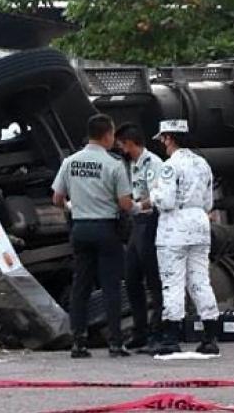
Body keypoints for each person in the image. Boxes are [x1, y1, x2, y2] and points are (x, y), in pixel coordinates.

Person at [52, 113, 141, 359]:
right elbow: (125, 203)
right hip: (106, 230)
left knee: (80, 285)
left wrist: (73, 208)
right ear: (107, 135)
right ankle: (115, 342)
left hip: (80, 230)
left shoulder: (70, 162)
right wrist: (140, 207)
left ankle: (78, 342)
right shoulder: (114, 165)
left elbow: (57, 199)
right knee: (111, 286)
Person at [150, 119, 220, 356]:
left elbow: (166, 201)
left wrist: (154, 195)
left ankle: (171, 338)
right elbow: (209, 202)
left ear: (169, 138)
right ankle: (210, 336)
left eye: (162, 139)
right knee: (200, 280)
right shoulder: (203, 164)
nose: (162, 143)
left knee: (173, 282)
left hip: (174, 228)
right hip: (200, 224)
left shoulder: (170, 166)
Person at [115, 123, 163, 353]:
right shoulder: (130, 165)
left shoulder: (152, 162)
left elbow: (156, 196)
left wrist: (135, 206)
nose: (120, 148)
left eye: (121, 144)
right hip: (137, 223)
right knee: (132, 277)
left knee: (153, 279)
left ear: (131, 143)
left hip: (150, 220)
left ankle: (157, 331)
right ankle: (140, 331)